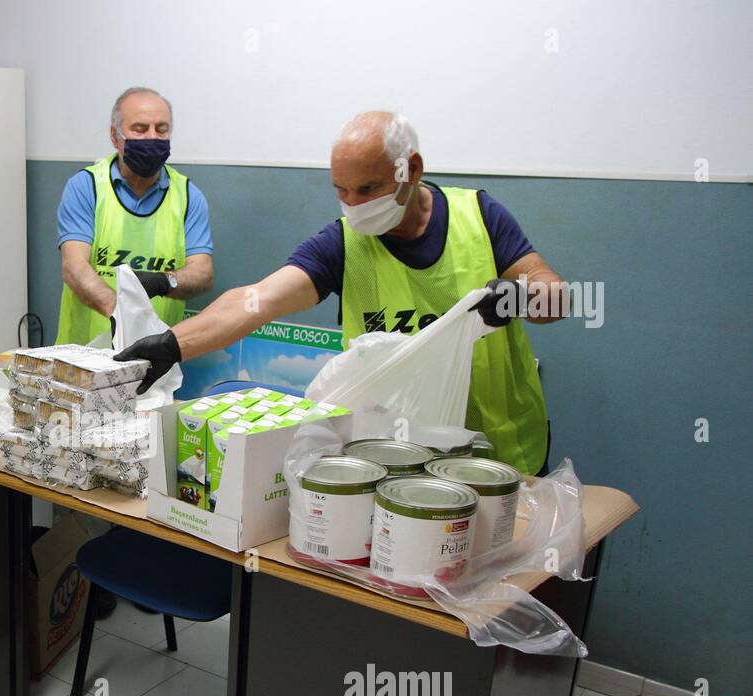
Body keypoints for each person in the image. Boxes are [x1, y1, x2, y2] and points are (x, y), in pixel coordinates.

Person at [118, 111, 568, 476]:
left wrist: (518, 296)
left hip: (500, 457)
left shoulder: (480, 218)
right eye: (342, 191)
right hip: (395, 459)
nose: (354, 205)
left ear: (411, 169)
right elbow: (259, 300)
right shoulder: (343, 244)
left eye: (369, 189)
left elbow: (560, 298)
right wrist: (175, 345)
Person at [56, 86, 214, 345]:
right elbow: (74, 268)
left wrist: (166, 281)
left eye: (161, 129)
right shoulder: (87, 187)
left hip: (155, 360)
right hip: (82, 359)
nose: (152, 137)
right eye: (140, 129)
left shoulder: (187, 196)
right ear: (115, 136)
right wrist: (121, 316)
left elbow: (203, 272)